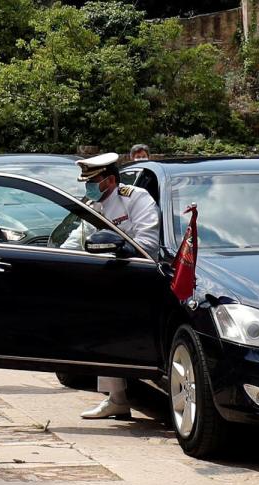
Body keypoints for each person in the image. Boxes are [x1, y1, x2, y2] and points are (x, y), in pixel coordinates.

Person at [69, 153, 160, 419]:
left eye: (92, 181)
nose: (88, 187)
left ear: (109, 180)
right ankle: (116, 398)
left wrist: (119, 251)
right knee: (104, 333)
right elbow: (79, 238)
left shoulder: (136, 198)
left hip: (138, 275)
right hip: (108, 279)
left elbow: (149, 242)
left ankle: (127, 393)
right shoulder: (93, 204)